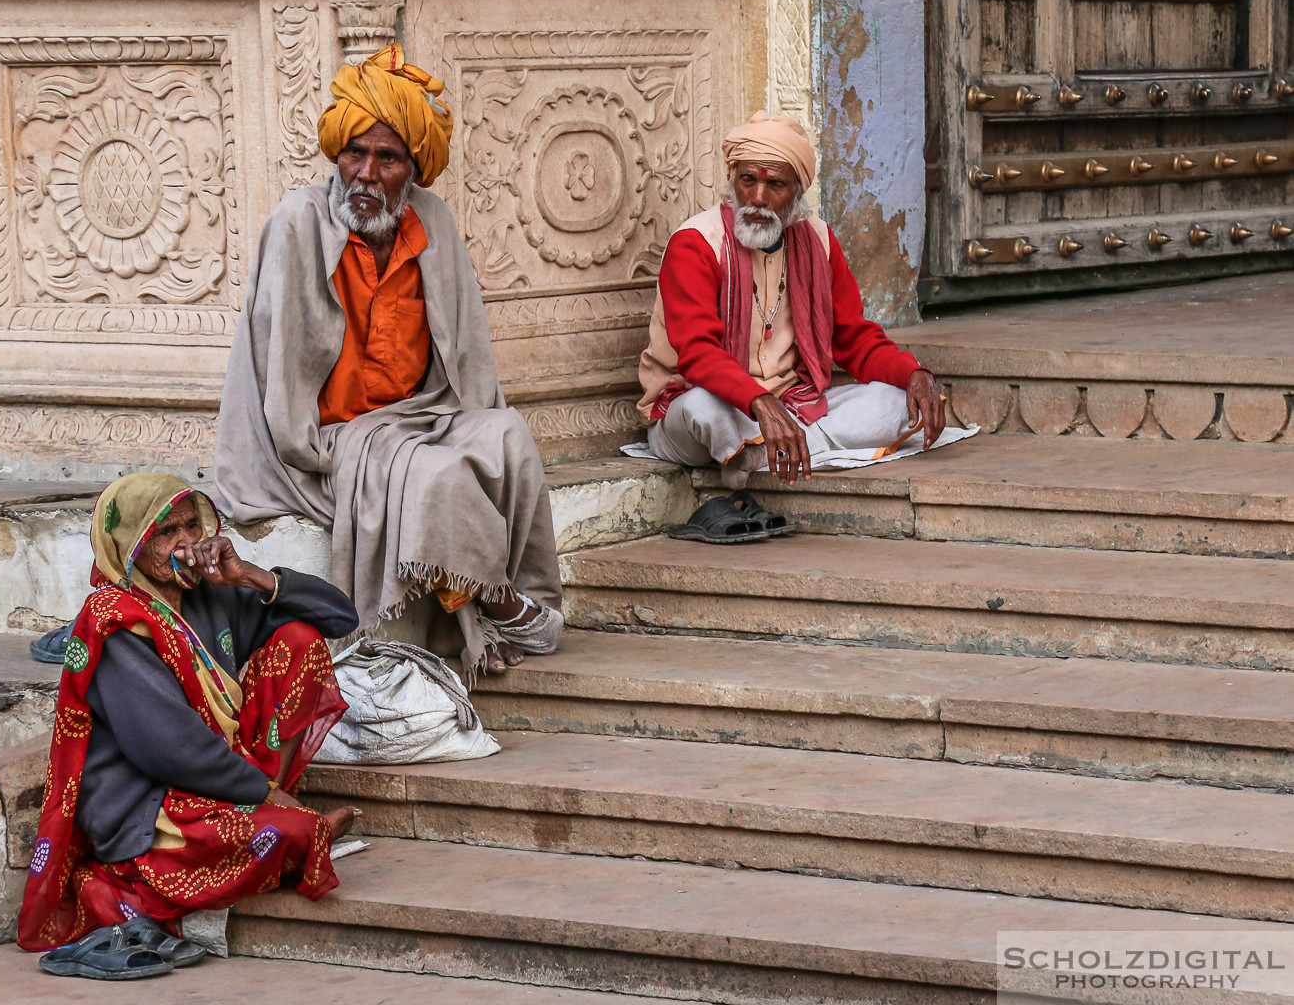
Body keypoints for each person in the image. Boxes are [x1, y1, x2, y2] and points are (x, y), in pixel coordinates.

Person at [213, 44, 562, 677]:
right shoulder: (296, 225)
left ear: (414, 169)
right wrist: (373, 447)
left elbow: (468, 358)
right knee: (436, 478)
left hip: (423, 413)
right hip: (329, 439)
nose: (366, 175)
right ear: (337, 155)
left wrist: (459, 430)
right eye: (355, 154)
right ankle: (496, 605)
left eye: (387, 158)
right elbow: (283, 386)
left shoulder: (431, 220)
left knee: (506, 435)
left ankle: (530, 595)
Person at [18, 472, 360, 978]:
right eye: (166, 532)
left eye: (192, 526)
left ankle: (272, 818)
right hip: (151, 802)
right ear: (130, 545)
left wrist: (250, 576)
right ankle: (276, 826)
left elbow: (339, 618)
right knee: (288, 831)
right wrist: (267, 794)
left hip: (218, 777)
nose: (186, 544)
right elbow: (168, 749)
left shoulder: (209, 594)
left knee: (300, 638)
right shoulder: (117, 622)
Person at [636, 112, 947, 540]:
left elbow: (853, 338)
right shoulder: (695, 243)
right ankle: (780, 446)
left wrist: (913, 373)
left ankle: (761, 455)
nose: (758, 198)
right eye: (748, 180)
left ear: (798, 191)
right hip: (700, 406)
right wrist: (760, 404)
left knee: (894, 403)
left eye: (775, 185)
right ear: (733, 180)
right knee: (701, 410)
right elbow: (698, 354)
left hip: (794, 406)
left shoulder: (817, 239)